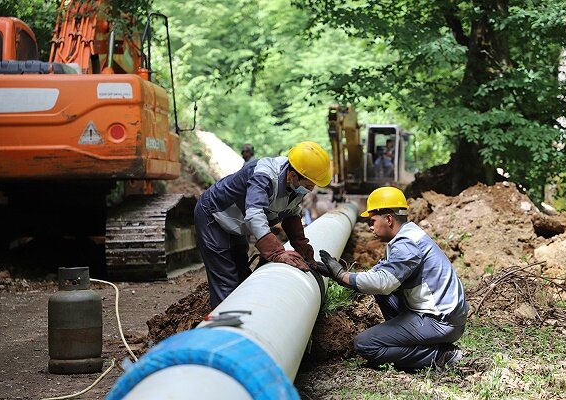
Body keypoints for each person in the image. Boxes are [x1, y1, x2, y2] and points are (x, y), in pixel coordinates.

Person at [316, 186, 468, 372]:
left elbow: (383, 282)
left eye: (372, 221)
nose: (369, 226)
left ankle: (440, 355)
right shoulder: (408, 235)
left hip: (440, 321)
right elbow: (378, 274)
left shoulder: (407, 245)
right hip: (440, 314)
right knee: (383, 294)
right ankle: (414, 340)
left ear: (388, 219)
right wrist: (338, 274)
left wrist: (341, 276)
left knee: (365, 344)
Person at [194, 141, 332, 307]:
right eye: (308, 185)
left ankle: (248, 314)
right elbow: (254, 212)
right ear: (293, 176)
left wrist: (302, 248)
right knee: (226, 280)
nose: (310, 190)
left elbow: (291, 213)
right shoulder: (264, 174)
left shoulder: (295, 183)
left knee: (242, 273)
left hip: (237, 222)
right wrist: (276, 251)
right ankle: (225, 325)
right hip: (213, 215)